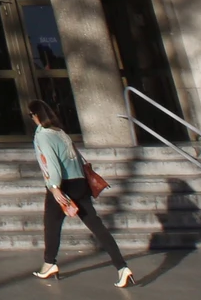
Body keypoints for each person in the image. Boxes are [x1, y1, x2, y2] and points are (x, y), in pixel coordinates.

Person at [30, 100, 131, 287]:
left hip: (62, 185)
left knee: (51, 226)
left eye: (31, 115)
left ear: (37, 115)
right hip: (79, 182)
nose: (32, 119)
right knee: (96, 226)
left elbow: (51, 162)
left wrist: (54, 187)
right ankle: (122, 266)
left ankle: (49, 263)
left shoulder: (43, 135)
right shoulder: (60, 132)